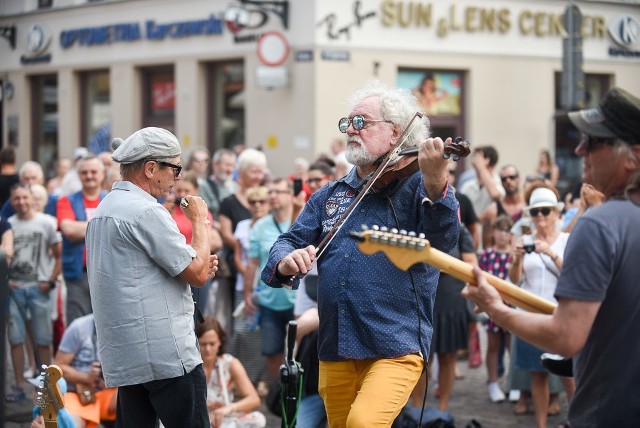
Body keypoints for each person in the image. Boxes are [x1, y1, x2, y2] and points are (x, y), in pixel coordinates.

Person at [261, 80, 459, 426]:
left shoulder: (419, 184)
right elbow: (288, 240)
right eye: (348, 123)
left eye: (361, 122)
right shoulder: (330, 194)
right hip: (336, 344)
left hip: (394, 344)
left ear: (396, 132)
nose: (351, 130)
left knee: (362, 423)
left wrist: (437, 182)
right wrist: (285, 260)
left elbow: (442, 242)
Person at [463, 86, 640, 427]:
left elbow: (565, 335)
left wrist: (496, 309)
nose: (579, 149)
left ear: (632, 156)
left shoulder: (600, 224)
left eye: (594, 142)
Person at [86, 127, 218, 427]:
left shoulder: (106, 207)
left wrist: (191, 264)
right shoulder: (146, 211)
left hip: (128, 356)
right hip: (167, 356)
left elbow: (139, 274)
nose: (178, 178)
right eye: (175, 168)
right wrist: (199, 219)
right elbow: (198, 273)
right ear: (150, 168)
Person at [6, 183, 62, 403]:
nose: (21, 202)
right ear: (11, 201)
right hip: (15, 289)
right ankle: (19, 384)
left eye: (24, 197)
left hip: (39, 288)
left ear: (31, 198)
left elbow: (58, 255)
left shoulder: (47, 223)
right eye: (16, 198)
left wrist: (49, 280)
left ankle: (48, 385)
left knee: (43, 338)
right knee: (15, 337)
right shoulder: (8, 225)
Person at [244, 178, 297, 382]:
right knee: (271, 351)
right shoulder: (261, 226)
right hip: (269, 302)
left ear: (290, 195)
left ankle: (297, 395)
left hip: (297, 302)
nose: (272, 196)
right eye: (270, 192)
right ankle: (277, 395)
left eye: (278, 191)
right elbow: (252, 263)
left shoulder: (301, 220)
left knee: (297, 352)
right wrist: (248, 294)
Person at [57, 155, 106, 325]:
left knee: (106, 325)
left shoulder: (111, 199)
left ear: (102, 173)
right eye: (85, 172)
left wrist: (81, 228)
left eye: (93, 172)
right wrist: (105, 226)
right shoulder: (66, 200)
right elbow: (69, 230)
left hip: (107, 273)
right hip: (78, 273)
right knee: (77, 325)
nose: (90, 176)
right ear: (79, 175)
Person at [196, 317, 265, 428]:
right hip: (196, 420)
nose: (208, 349)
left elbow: (254, 399)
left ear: (219, 343)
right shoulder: (189, 367)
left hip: (223, 421)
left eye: (212, 344)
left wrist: (229, 408)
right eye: (203, 344)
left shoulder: (229, 363)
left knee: (258, 419)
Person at [54, 313, 117, 428]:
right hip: (79, 393)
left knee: (137, 396)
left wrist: (113, 379)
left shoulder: (124, 328)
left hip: (108, 393)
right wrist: (86, 377)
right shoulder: (79, 327)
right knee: (70, 423)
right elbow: (58, 367)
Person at [478, 215, 513, 403]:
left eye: (506, 230)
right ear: (493, 232)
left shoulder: (513, 255)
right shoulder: (486, 255)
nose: (502, 234)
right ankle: (492, 382)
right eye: (499, 230)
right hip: (491, 306)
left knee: (511, 345)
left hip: (510, 306)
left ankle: (513, 382)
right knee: (493, 345)